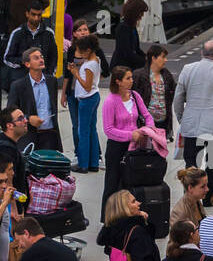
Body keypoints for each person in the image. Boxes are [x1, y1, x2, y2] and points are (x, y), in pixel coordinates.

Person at [172, 38, 213, 200]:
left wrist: (182, 117)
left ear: (201, 53)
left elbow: (178, 97)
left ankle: (190, 196)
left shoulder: (187, 69)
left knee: (190, 164)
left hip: (191, 125)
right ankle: (209, 199)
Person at [101, 65, 156, 212]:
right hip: (117, 149)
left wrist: (148, 129)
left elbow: (147, 115)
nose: (131, 81)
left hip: (135, 147)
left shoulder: (135, 96)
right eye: (128, 78)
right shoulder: (110, 101)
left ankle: (129, 213)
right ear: (118, 81)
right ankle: (108, 217)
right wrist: (130, 135)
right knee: (113, 184)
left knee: (131, 182)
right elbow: (108, 130)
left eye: (131, 77)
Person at [10, 46, 61, 153]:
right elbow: (10, 112)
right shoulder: (18, 85)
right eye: (36, 58)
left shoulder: (52, 81)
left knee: (48, 168)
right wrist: (28, 118)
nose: (41, 60)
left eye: (41, 57)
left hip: (50, 135)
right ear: (27, 64)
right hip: (28, 136)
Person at [3, 3, 58, 88]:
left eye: (39, 15)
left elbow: (53, 58)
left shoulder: (49, 33)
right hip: (20, 80)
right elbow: (7, 58)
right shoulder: (17, 33)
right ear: (27, 14)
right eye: (33, 14)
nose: (36, 18)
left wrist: (49, 76)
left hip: (42, 80)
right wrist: (26, 62)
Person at [69, 34, 102, 174]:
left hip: (87, 99)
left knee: (83, 131)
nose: (79, 54)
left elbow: (86, 86)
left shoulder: (89, 65)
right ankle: (93, 162)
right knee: (91, 130)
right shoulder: (96, 60)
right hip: (94, 97)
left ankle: (83, 164)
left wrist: (75, 73)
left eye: (81, 52)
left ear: (88, 51)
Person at [133, 43, 177, 142]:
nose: (166, 60)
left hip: (163, 122)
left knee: (159, 153)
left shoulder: (167, 75)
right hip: (145, 122)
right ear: (153, 58)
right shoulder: (138, 75)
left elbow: (173, 92)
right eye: (163, 57)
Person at [111, 0, 148, 72]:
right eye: (141, 12)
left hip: (128, 66)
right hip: (121, 68)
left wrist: (147, 57)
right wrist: (145, 62)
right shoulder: (123, 28)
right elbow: (126, 53)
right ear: (135, 12)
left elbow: (136, 49)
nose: (142, 15)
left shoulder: (131, 26)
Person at [169, 166, 209, 234]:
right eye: (203, 187)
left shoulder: (196, 201)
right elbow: (178, 241)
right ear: (190, 188)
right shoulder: (180, 213)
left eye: (206, 185)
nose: (207, 189)